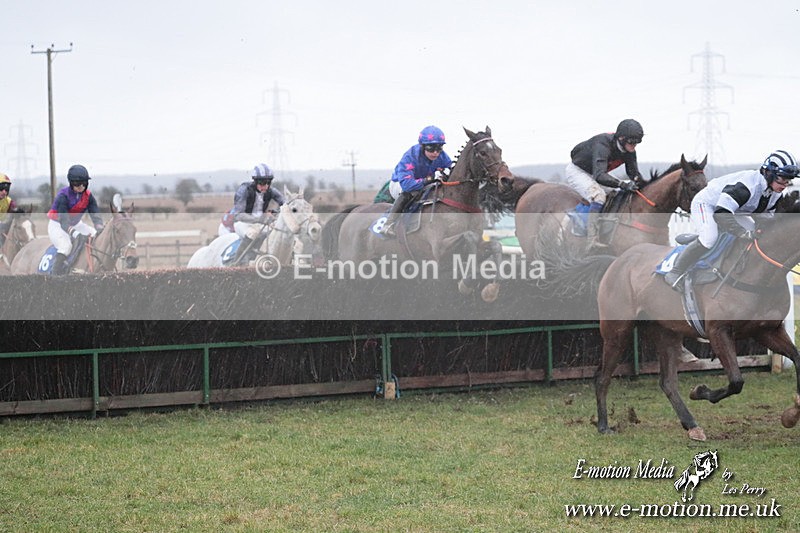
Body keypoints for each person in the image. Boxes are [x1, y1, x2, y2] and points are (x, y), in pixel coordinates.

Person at [665, 149, 799, 291]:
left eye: (788, 179)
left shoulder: (774, 193)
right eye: (782, 178)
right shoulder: (747, 187)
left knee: (755, 234)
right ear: (769, 173)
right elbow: (721, 214)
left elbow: (765, 220)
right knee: (709, 238)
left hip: (734, 210)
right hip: (708, 204)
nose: (785, 183)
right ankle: (675, 271)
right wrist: (742, 232)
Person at [566, 118, 645, 246]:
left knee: (617, 192)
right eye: (631, 141)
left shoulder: (629, 151)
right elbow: (599, 176)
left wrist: (641, 183)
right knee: (599, 196)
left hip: (596, 172)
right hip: (578, 171)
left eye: (637, 142)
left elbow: (633, 174)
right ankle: (592, 239)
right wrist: (622, 184)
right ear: (621, 138)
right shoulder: (602, 145)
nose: (634, 145)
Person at [380, 125, 452, 237]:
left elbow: (450, 168)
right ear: (422, 146)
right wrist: (431, 178)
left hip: (424, 183)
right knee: (411, 192)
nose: (435, 153)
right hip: (400, 184)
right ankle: (388, 224)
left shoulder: (442, 156)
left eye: (439, 148)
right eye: (431, 148)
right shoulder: (410, 157)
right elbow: (408, 186)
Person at [47, 164, 105, 275]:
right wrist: (74, 233)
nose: (81, 186)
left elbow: (95, 214)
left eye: (84, 183)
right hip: (57, 225)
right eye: (77, 183)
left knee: (95, 235)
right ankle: (54, 278)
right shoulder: (63, 196)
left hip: (76, 223)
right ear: (71, 183)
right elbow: (64, 222)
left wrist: (99, 226)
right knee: (66, 247)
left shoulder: (88, 196)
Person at [227, 163, 286, 264]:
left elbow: (285, 204)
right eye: (263, 183)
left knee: (278, 232)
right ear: (255, 181)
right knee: (253, 233)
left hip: (260, 223)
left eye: (268, 182)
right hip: (242, 223)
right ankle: (236, 263)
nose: (266, 186)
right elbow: (239, 215)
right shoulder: (244, 190)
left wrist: (276, 212)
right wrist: (260, 219)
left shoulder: (271, 191)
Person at [0, 173, 20, 250]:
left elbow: (15, 210)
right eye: (1, 189)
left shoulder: (9, 201)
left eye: (6, 189)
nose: (4, 192)